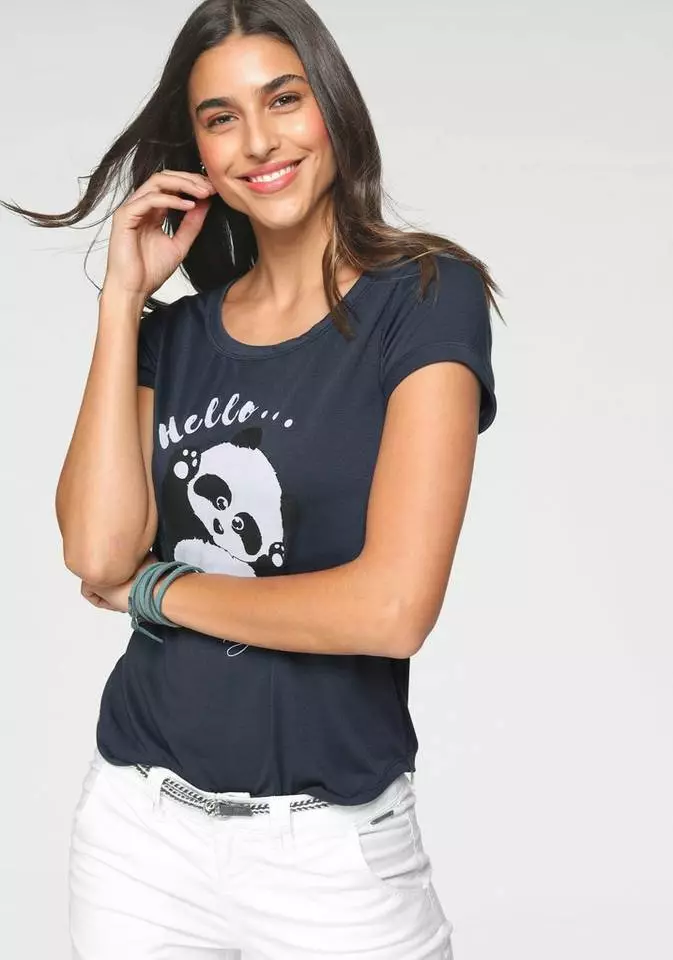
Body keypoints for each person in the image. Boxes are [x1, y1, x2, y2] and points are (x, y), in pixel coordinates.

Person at [4, 1, 502, 956]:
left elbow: (390, 609)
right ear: (195, 148)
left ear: (333, 108)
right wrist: (123, 301)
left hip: (329, 850)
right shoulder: (173, 337)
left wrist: (158, 589)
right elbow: (96, 551)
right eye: (221, 117)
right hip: (139, 834)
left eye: (283, 99)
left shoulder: (425, 298)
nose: (260, 142)